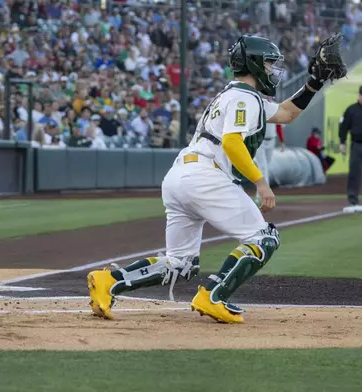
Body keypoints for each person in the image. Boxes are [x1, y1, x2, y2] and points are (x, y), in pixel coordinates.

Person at [86, 34, 346, 324]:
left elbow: (286, 113)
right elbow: (233, 143)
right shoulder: (244, 97)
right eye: (270, 64)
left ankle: (109, 281)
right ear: (256, 64)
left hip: (180, 176)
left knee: (180, 263)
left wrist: (314, 82)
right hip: (205, 176)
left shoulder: (235, 95)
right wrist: (261, 182)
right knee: (264, 238)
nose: (272, 70)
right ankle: (214, 296)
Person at [254, 96, 285, 203]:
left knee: (266, 166)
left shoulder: (276, 106)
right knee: (263, 168)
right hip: (260, 141)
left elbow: (278, 126)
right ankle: (263, 196)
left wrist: (281, 141)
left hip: (271, 140)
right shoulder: (258, 104)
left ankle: (260, 194)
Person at [338, 86, 362, 206]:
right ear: (359, 95)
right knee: (354, 172)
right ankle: (353, 198)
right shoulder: (351, 110)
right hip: (356, 145)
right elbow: (344, 127)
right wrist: (342, 142)